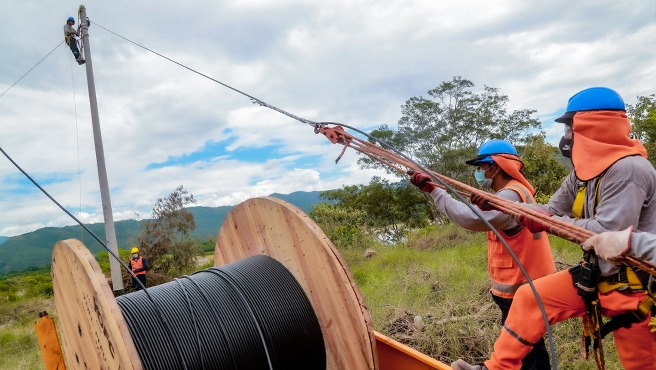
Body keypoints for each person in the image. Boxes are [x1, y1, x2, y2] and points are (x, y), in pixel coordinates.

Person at [451, 87, 656, 370]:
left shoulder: (629, 169)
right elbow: (553, 210)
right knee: (530, 298)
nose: (567, 136)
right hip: (598, 277)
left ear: (591, 125)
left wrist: (546, 221)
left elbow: (608, 233)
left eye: (570, 127)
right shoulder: (584, 172)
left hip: (634, 287)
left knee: (641, 364)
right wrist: (502, 206)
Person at [411, 139, 555, 370]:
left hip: (521, 289)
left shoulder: (511, 197)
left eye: (481, 167)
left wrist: (434, 191)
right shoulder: (511, 194)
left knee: (521, 351)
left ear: (495, 167)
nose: (479, 172)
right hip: (526, 285)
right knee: (531, 347)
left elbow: (470, 218)